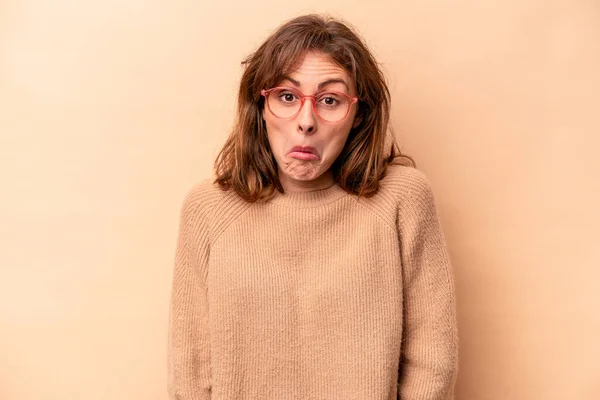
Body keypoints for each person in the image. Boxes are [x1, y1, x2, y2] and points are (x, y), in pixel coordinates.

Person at [167, 13, 458, 400]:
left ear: (358, 116)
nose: (306, 121)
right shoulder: (208, 210)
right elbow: (190, 372)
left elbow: (432, 361)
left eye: (330, 100)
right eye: (287, 97)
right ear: (261, 105)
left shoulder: (402, 200)